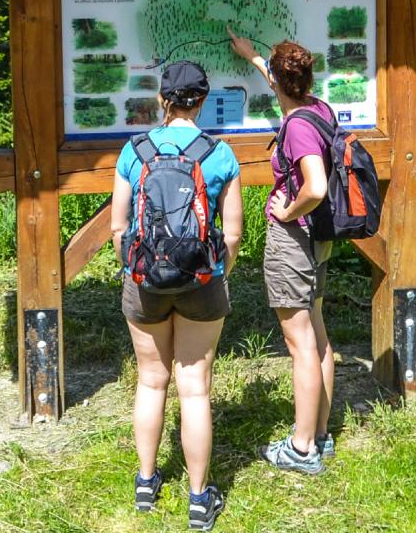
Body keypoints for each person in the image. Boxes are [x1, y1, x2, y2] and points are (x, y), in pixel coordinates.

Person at [111, 60, 243, 530]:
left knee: (150, 381)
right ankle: (198, 497)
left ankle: (146, 483)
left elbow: (118, 227)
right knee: (195, 389)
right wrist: (214, 273)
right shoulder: (220, 154)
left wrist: (135, 270)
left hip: (144, 282)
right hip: (202, 284)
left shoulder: (134, 150)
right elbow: (232, 235)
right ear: (203, 100)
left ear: (163, 100)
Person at [229, 30, 335, 474]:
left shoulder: (295, 129)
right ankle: (320, 434)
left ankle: (302, 446)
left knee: (300, 344)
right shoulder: (317, 108)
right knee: (318, 334)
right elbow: (283, 87)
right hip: (321, 238)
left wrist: (288, 211)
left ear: (279, 80)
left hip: (296, 241)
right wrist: (254, 57)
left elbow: (316, 185)